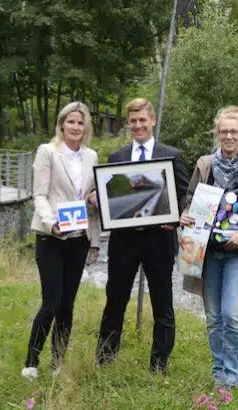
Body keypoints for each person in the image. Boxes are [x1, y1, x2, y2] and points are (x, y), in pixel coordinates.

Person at [181, 106, 238, 389]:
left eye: (234, 131)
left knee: (233, 315)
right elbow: (190, 200)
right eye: (224, 131)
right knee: (213, 318)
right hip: (207, 253)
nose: (229, 136)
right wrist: (185, 215)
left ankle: (232, 378)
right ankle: (219, 373)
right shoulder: (204, 165)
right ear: (217, 133)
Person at [96, 98, 189, 374]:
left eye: (142, 120)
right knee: (115, 301)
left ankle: (159, 365)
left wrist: (175, 216)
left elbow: (184, 194)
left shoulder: (171, 155)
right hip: (123, 242)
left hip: (160, 241)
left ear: (152, 121)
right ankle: (105, 360)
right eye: (133, 121)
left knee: (162, 305)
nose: (138, 125)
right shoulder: (117, 158)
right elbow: (111, 198)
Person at [22, 102, 101, 379]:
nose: (76, 127)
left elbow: (92, 198)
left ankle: (58, 362)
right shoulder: (48, 152)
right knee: (51, 302)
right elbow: (40, 194)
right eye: (71, 122)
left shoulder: (92, 156)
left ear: (86, 127)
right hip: (51, 236)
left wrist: (95, 235)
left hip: (78, 238)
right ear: (61, 124)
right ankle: (31, 362)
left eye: (80, 123)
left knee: (68, 304)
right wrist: (50, 222)